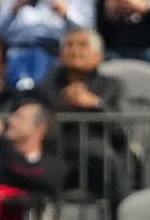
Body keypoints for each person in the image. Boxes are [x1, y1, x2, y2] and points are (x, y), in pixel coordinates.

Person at [32, 27, 131, 204]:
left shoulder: (112, 86)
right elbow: (37, 125)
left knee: (112, 166)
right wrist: (64, 105)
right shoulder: (47, 87)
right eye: (69, 45)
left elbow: (121, 131)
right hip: (56, 155)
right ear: (61, 55)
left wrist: (95, 104)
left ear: (99, 55)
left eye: (82, 45)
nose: (75, 50)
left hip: (97, 158)